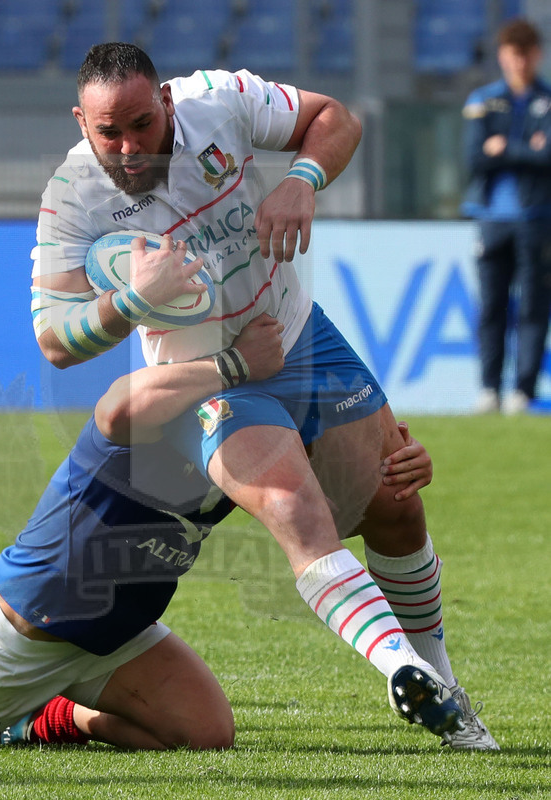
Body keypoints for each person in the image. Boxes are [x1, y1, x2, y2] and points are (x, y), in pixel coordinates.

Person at [29, 42, 499, 749]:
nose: (127, 148)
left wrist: (303, 178)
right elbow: (56, 341)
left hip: (297, 336)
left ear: (165, 102)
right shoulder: (71, 198)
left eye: (140, 124)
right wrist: (131, 300)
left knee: (396, 505)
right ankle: (402, 668)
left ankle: (444, 693)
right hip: (209, 377)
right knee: (292, 506)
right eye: (108, 132)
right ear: (81, 122)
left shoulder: (219, 99)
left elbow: (335, 117)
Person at [0, 320, 431, 750]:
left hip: (115, 634)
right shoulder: (157, 416)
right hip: (16, 631)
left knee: (206, 734)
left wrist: (398, 470)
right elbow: (116, 404)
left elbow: (329, 513)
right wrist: (233, 364)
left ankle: (49, 715)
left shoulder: (253, 436)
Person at [462, 18, 551, 415]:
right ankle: (489, 389)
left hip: (536, 218)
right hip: (492, 219)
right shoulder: (483, 100)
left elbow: (547, 157)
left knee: (533, 306)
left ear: (537, 55)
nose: (519, 63)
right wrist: (526, 149)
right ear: (502, 56)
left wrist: (504, 148)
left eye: (526, 55)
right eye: (513, 55)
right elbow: (474, 158)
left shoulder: (547, 100)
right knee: (492, 307)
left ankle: (523, 391)